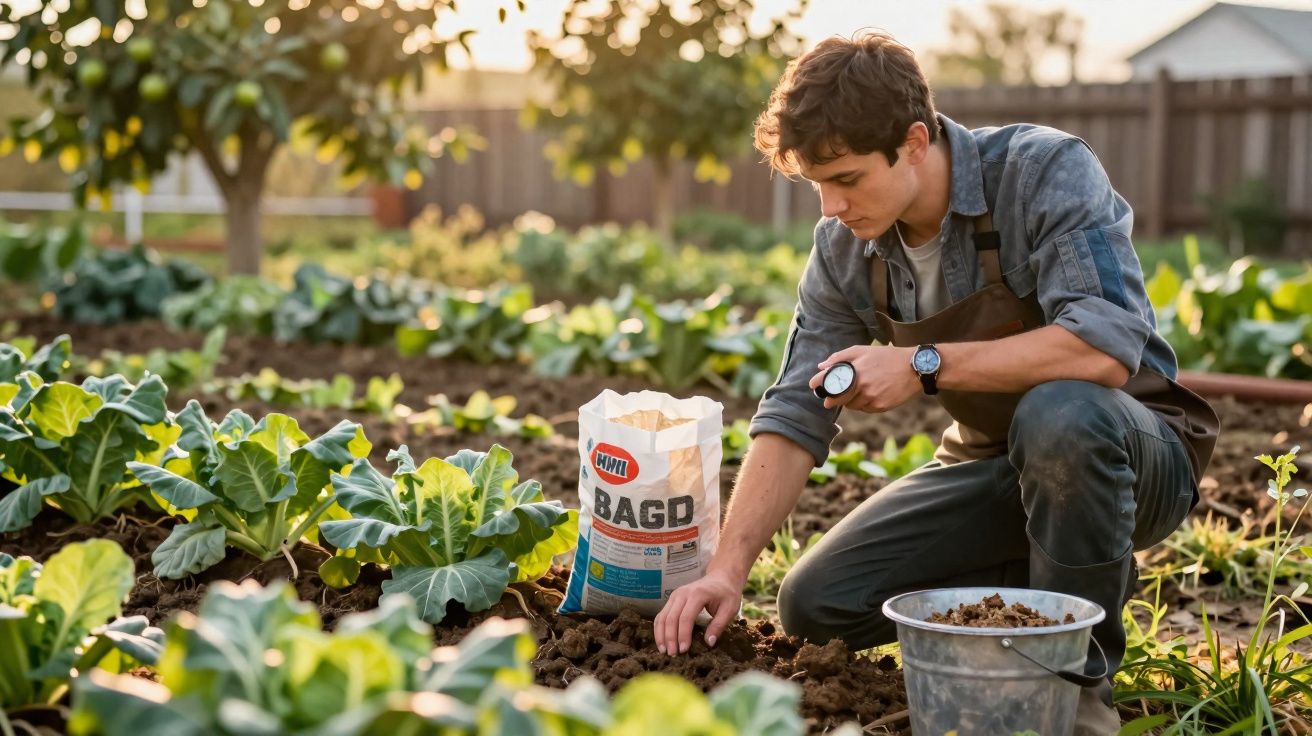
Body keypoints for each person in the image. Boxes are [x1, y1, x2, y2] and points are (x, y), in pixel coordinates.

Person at [652, 31, 1219, 734]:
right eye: (816, 185)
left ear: (915, 142)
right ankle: (1051, 585)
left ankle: (1075, 691)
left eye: (848, 179)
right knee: (817, 604)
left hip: (1132, 450)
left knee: (1064, 415)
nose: (830, 207)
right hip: (995, 461)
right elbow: (799, 406)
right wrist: (726, 570)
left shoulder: (1043, 172)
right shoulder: (846, 247)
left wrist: (922, 365)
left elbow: (1103, 347)